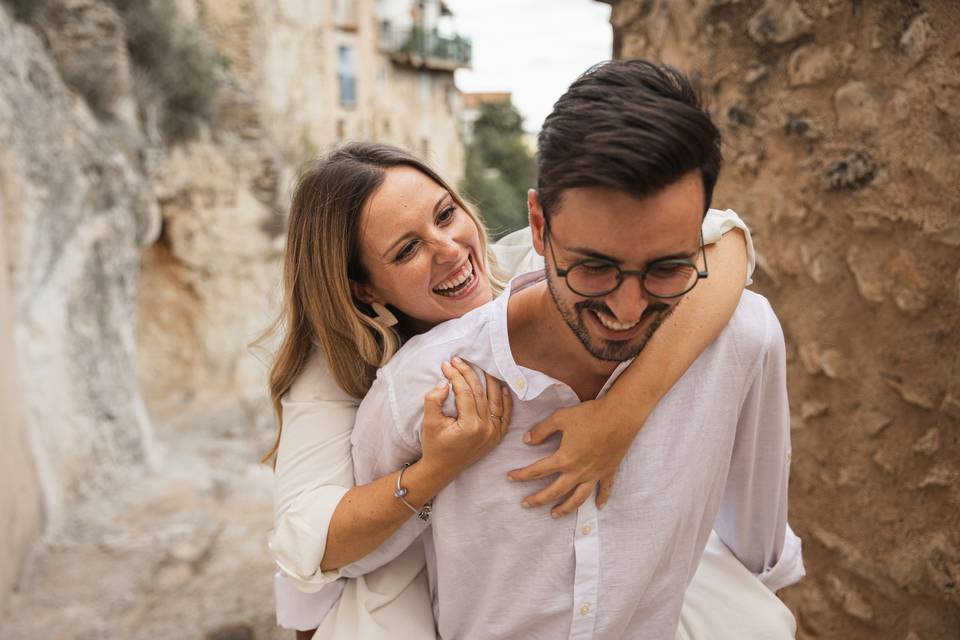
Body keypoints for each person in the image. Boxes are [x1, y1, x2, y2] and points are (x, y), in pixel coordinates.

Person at [344, 60, 804, 639]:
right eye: (594, 268)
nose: (628, 310)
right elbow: (356, 570)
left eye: (667, 268)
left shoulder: (743, 338)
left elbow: (760, 554)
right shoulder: (420, 387)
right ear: (538, 226)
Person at [266, 151, 771, 636]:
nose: (448, 249)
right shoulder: (332, 369)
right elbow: (310, 551)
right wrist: (436, 469)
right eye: (407, 250)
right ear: (365, 290)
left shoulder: (527, 266)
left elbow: (726, 241)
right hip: (409, 592)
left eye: (445, 214)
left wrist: (620, 414)